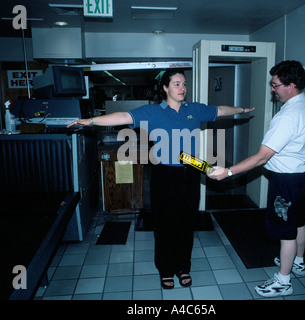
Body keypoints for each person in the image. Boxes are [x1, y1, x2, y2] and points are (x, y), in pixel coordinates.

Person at [67, 69, 254, 289]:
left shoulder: (194, 109)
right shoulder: (152, 112)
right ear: (165, 87)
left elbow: (220, 110)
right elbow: (123, 117)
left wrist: (241, 109)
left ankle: (183, 266)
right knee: (166, 224)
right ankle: (166, 268)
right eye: (176, 84)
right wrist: (90, 121)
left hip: (191, 170)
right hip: (164, 173)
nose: (182, 88)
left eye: (184, 84)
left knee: (186, 222)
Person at [208, 60, 305, 297]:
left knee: (285, 231)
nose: (272, 89)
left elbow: (261, 158)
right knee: (298, 221)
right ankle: (298, 261)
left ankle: (283, 281)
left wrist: (227, 172)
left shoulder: (288, 116)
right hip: (304, 177)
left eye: (275, 85)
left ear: (291, 85)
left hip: (287, 182)